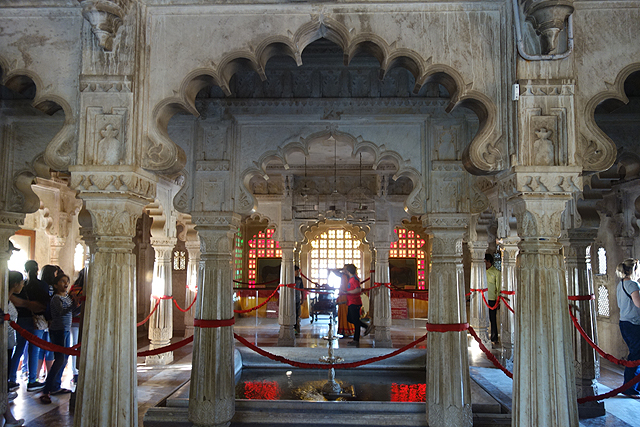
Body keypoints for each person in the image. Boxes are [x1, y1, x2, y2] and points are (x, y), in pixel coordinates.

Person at [40, 272, 80, 404]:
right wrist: (74, 304)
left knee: (63, 359)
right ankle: (47, 389)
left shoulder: (66, 297)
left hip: (65, 330)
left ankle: (55, 386)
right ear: (56, 285)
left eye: (67, 281)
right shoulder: (56, 298)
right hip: (58, 331)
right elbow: (61, 312)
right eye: (62, 281)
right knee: (59, 360)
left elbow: (72, 312)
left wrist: (78, 306)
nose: (65, 284)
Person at [8, 260, 46, 392]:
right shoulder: (40, 285)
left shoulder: (24, 285)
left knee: (18, 350)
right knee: (34, 351)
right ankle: (32, 381)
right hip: (35, 320)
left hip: (20, 320)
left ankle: (11, 379)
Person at [616, 258, 640, 398]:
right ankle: (629, 387)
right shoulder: (632, 284)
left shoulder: (621, 284)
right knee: (636, 356)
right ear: (634, 270)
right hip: (633, 324)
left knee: (636, 354)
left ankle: (634, 385)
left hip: (625, 323)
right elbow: (638, 304)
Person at [4, 271, 25, 427]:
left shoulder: (8, 298)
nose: (23, 285)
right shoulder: (3, 299)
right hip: (3, 345)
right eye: (22, 283)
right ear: (16, 284)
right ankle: (9, 419)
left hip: (8, 343)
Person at [344, 264, 366, 346]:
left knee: (356, 322)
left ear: (348, 271)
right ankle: (365, 326)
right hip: (351, 302)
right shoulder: (351, 278)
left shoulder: (354, 279)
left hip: (355, 302)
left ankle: (356, 340)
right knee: (350, 319)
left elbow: (358, 289)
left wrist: (348, 292)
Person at [485, 253, 501, 346]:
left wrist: (498, 300)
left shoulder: (496, 272)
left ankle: (494, 337)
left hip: (492, 299)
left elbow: (498, 287)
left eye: (485, 262)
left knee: (493, 319)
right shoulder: (482, 271)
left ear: (489, 261)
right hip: (483, 298)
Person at [336, 270, 354, 337]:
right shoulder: (352, 277)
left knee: (345, 314)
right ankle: (348, 330)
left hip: (344, 297)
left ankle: (346, 330)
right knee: (348, 314)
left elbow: (344, 288)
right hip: (349, 297)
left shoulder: (344, 277)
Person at [294, 266, 304, 334]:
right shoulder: (288, 279)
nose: (297, 272)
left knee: (297, 313)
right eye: (296, 271)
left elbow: (302, 289)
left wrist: (302, 298)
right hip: (290, 300)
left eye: (298, 271)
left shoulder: (299, 279)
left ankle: (295, 327)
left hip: (297, 299)